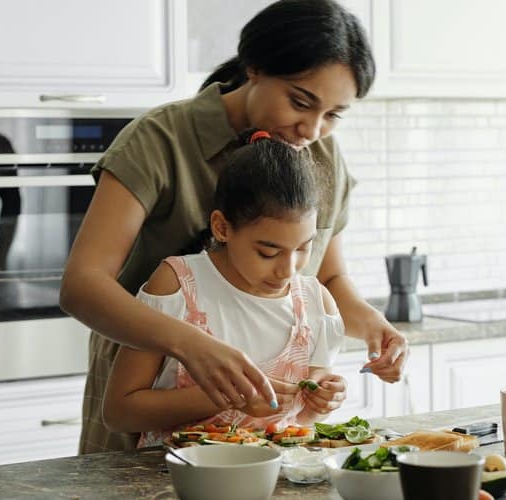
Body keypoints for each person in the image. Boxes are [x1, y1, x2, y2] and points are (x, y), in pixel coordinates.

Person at [60, 0, 408, 453]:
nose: (313, 128)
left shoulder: (323, 156)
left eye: (334, 114)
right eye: (300, 102)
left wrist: (375, 326)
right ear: (256, 68)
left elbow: (328, 278)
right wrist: (192, 345)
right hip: (148, 400)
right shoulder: (160, 140)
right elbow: (82, 286)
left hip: (261, 438)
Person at [103, 131, 347, 446]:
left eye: (304, 248)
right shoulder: (177, 286)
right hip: (176, 480)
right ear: (221, 227)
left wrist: (321, 402)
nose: (288, 269)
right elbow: (119, 412)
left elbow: (301, 422)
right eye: (268, 252)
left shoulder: (316, 304)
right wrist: (226, 397)